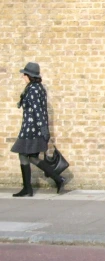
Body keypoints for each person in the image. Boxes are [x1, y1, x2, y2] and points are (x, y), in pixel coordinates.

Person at [11, 62, 65, 196]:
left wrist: (43, 130)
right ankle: (57, 179)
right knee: (32, 157)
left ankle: (28, 188)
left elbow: (38, 111)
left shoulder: (34, 89)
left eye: (25, 74)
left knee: (23, 154)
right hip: (31, 127)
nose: (23, 76)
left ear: (30, 76)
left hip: (31, 128)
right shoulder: (36, 87)